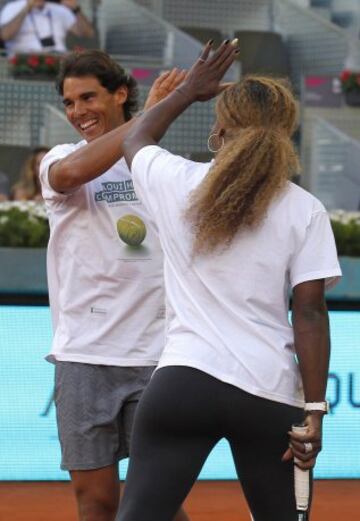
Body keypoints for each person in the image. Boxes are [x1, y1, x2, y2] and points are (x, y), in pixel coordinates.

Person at [115, 41, 342, 521]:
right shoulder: (305, 209)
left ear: (219, 128)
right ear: (287, 132)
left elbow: (135, 139)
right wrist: (315, 411)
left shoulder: (175, 180)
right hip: (268, 392)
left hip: (182, 384)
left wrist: (186, 93)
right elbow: (309, 312)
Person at [39, 49, 188, 521]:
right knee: (98, 504)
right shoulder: (60, 159)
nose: (78, 111)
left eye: (89, 97)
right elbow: (73, 174)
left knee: (155, 505)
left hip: (157, 357)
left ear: (120, 93)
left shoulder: (163, 167)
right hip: (84, 356)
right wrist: (155, 113)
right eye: (69, 102)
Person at [0, 0, 94, 56]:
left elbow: (87, 33)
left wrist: (76, 9)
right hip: (23, 65)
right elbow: (5, 35)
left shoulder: (58, 9)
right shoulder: (12, 7)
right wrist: (27, 8)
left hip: (57, 62)